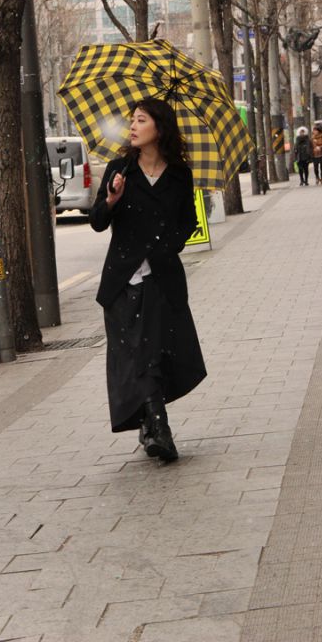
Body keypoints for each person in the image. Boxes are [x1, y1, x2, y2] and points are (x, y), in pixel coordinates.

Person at [89, 98, 206, 462]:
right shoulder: (120, 169)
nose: (133, 127)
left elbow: (188, 222)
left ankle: (155, 426)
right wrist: (112, 199)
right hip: (123, 281)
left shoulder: (179, 174)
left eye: (141, 120)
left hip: (161, 279)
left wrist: (166, 246)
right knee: (137, 354)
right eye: (132, 121)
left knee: (152, 353)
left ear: (160, 127)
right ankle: (158, 427)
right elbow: (97, 221)